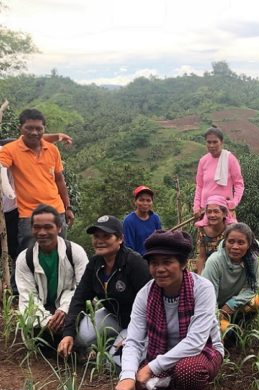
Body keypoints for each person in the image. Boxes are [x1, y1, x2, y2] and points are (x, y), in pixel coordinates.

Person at [114, 230, 224, 390]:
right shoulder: (145, 294)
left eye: (167, 262)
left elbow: (195, 342)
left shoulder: (202, 289)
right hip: (161, 354)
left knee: (187, 370)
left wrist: (150, 369)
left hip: (202, 353)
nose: (160, 269)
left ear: (183, 264)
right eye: (154, 263)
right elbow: (134, 340)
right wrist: (128, 375)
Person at [57, 215, 151, 362]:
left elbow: (152, 304)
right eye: (96, 236)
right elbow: (79, 299)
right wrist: (68, 333)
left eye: (106, 236)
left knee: (115, 362)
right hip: (112, 315)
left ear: (120, 239)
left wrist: (135, 336)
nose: (100, 241)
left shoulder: (134, 263)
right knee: (80, 337)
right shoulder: (95, 264)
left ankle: (118, 347)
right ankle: (107, 345)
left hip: (137, 322)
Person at [0, 109, 75, 253]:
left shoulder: (52, 150)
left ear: (44, 129)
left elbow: (59, 180)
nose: (34, 132)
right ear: (20, 128)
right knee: (27, 258)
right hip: (29, 215)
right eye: (29, 128)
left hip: (56, 211)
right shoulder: (10, 150)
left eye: (39, 129)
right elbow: (2, 166)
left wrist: (68, 207)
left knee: (60, 256)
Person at [15, 204, 88, 344]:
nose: (42, 232)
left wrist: (64, 310)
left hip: (70, 306)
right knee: (41, 340)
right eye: (37, 227)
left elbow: (83, 290)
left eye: (48, 227)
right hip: (42, 311)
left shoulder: (75, 252)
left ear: (59, 228)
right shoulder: (25, 258)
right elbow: (28, 297)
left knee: (81, 332)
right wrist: (48, 321)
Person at [202, 223, 259, 340]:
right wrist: (218, 315)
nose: (235, 247)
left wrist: (231, 304)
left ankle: (241, 324)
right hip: (210, 307)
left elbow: (252, 288)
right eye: (231, 241)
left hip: (229, 302)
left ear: (248, 244)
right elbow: (208, 296)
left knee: (258, 302)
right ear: (225, 242)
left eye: (241, 243)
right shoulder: (215, 261)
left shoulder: (251, 260)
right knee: (227, 333)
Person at [192, 127, 244, 219]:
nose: (212, 145)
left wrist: (234, 202)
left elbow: (239, 184)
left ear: (221, 142)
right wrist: (196, 206)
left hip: (224, 210)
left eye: (215, 142)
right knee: (207, 233)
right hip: (205, 210)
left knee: (228, 233)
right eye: (209, 142)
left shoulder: (230, 159)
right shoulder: (203, 161)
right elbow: (199, 186)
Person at [194, 194, 236, 273]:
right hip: (209, 270)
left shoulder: (231, 230)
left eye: (216, 211)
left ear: (224, 214)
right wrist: (199, 278)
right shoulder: (203, 230)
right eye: (209, 212)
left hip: (228, 270)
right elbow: (201, 257)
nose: (212, 215)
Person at [123, 185, 162, 256]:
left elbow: (159, 240)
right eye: (141, 200)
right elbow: (128, 248)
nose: (145, 203)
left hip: (154, 259)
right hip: (137, 261)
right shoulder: (129, 221)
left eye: (148, 200)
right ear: (135, 202)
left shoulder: (155, 218)